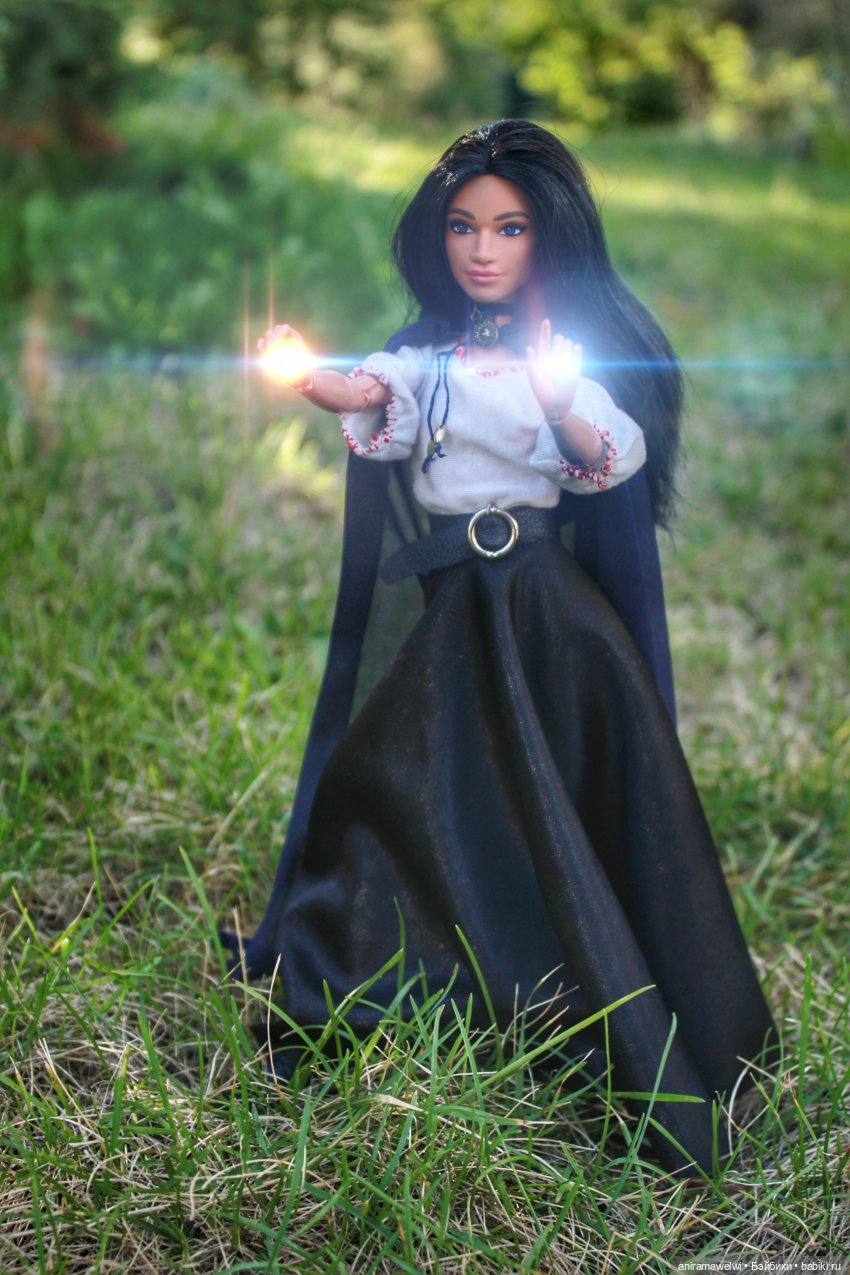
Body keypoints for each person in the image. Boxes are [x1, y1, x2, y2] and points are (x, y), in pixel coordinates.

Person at [228, 120, 775, 1175]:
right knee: (395, 777)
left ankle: (561, 960)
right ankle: (403, 956)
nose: (482, 249)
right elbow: (370, 401)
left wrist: (560, 404)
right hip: (454, 606)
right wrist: (304, 375)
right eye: (464, 226)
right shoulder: (422, 360)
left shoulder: (558, 359)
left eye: (509, 228)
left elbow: (609, 458)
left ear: (546, 239)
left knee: (550, 789)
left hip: (542, 608)